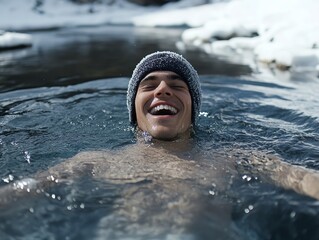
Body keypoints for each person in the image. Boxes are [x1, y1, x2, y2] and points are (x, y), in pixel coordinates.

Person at [1, 51, 319, 238]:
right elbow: (26, 189)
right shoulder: (94, 161)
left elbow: (301, 178)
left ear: (193, 110)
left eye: (176, 85)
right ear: (134, 111)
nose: (162, 89)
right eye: (149, 85)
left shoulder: (233, 158)